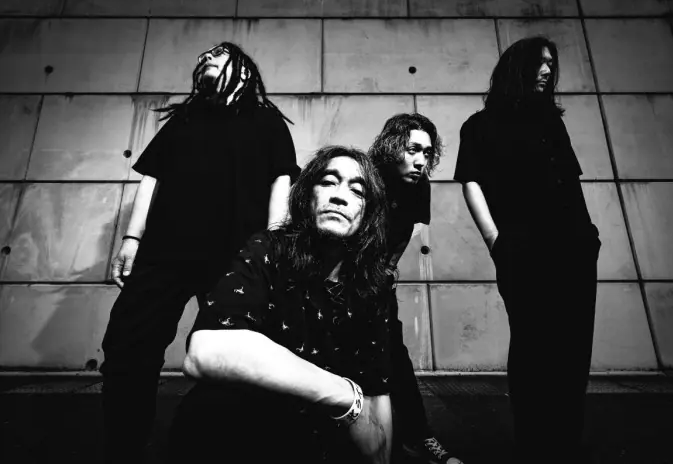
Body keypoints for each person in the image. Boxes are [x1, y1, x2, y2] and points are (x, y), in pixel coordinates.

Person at [100, 42, 300, 463]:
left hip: (235, 258)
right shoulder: (185, 119)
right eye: (202, 56)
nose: (204, 58)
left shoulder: (266, 121)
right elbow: (151, 178)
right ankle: (122, 447)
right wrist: (131, 239)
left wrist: (274, 248)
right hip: (163, 253)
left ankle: (216, 446)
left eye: (217, 54)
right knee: (127, 348)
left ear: (243, 71)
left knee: (233, 356)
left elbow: (280, 181)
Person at [166, 146, 394, 464]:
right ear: (307, 196)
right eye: (328, 182)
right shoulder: (267, 250)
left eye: (357, 191)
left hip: (315, 440)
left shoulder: (375, 286)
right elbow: (206, 353)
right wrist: (345, 395)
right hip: (240, 433)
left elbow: (377, 393)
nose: (340, 196)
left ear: (368, 214)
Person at [454, 37, 601, 463]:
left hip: (574, 247)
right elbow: (471, 182)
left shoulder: (551, 121)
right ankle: (534, 444)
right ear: (516, 68)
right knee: (533, 345)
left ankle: (565, 443)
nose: (547, 71)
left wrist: (589, 237)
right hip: (523, 251)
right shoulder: (480, 125)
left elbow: (569, 183)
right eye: (539, 63)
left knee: (574, 349)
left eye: (551, 63)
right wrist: (495, 241)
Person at [368, 113, 463, 464]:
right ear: (392, 147)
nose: (421, 160)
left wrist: (388, 268)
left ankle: (418, 435)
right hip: (340, 278)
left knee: (395, 355)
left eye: (426, 152)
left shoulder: (419, 184)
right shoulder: (365, 175)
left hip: (377, 281)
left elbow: (406, 228)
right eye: (412, 150)